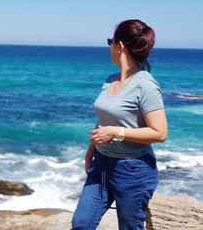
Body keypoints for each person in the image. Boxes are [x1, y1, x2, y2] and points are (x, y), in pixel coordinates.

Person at [71, 19, 168, 230]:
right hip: (101, 164)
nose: (110, 47)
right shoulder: (110, 80)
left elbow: (160, 133)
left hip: (132, 168)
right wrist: (90, 151)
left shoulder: (145, 85)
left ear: (120, 46)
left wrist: (117, 132)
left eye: (110, 41)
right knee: (81, 224)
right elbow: (103, 121)